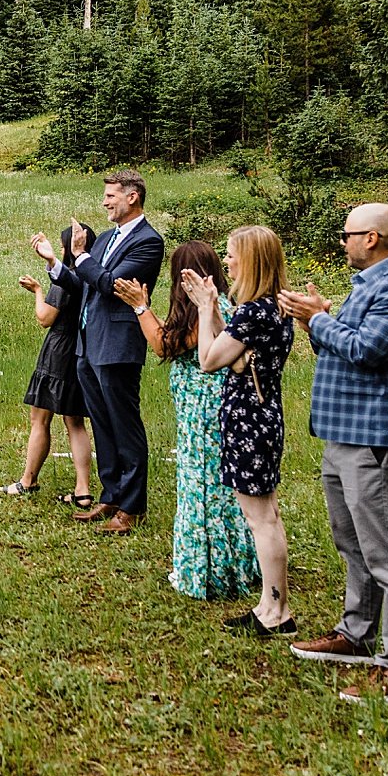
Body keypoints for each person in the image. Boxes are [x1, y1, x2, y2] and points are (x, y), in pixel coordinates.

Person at [279, 203, 388, 704]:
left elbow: (368, 350)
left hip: (375, 437)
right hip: (343, 432)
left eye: (346, 234)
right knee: (354, 544)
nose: (341, 241)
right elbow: (344, 348)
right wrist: (318, 322)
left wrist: (319, 318)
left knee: (386, 553)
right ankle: (355, 634)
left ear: (371, 238)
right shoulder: (368, 284)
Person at [114, 241, 259, 602]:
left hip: (206, 415)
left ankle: (208, 570)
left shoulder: (208, 310)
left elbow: (166, 346)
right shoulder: (207, 307)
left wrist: (140, 307)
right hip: (200, 412)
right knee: (213, 487)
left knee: (205, 487)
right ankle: (230, 563)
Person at [31, 169, 164, 535]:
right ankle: (111, 494)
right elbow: (82, 284)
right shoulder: (104, 239)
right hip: (87, 345)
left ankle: (132, 506)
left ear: (132, 197)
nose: (104, 202)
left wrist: (80, 255)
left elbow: (110, 285)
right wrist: (55, 263)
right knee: (102, 424)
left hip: (118, 346)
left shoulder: (149, 242)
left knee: (125, 425)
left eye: (110, 196)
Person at [185, 228, 297, 636]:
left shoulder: (253, 313)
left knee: (261, 519)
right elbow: (232, 353)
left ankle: (276, 612)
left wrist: (202, 309)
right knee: (267, 513)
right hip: (265, 415)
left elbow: (209, 359)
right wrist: (216, 309)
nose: (227, 261)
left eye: (232, 255)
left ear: (250, 260)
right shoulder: (275, 307)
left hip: (247, 420)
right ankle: (271, 603)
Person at [4, 224, 93, 505]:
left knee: (39, 419)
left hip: (57, 353)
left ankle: (28, 481)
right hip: (80, 351)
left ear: (67, 248)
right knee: (75, 422)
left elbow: (45, 318)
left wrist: (38, 291)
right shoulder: (89, 276)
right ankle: (83, 490)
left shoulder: (64, 281)